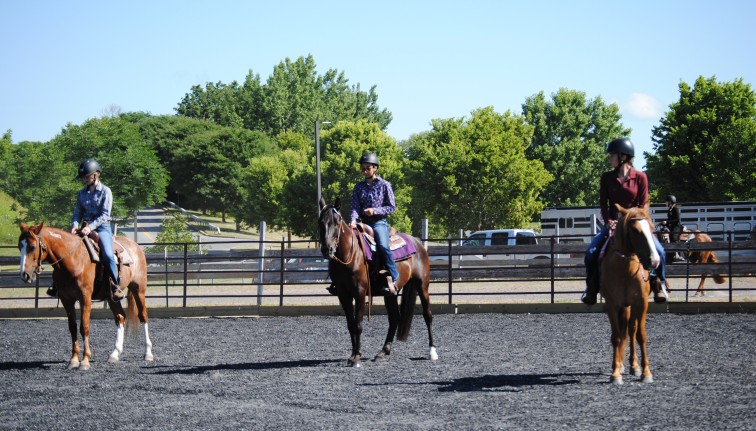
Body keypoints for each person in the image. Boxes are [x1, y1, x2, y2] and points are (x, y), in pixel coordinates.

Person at [581, 138, 669, 305]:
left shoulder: (641, 177)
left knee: (660, 252)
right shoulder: (606, 178)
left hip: (636, 223)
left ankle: (660, 284)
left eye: (612, 155)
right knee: (591, 252)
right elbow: (603, 204)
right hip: (614, 224)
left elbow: (642, 205)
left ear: (623, 156)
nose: (610, 158)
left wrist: (632, 219)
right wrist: (609, 221)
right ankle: (591, 288)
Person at [53, 159, 123, 300]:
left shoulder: (106, 191)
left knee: (108, 255)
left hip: (101, 228)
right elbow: (77, 212)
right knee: (62, 250)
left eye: (87, 176)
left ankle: (115, 286)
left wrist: (89, 227)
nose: (85, 179)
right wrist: (74, 225)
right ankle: (57, 285)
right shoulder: (81, 193)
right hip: (84, 227)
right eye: (84, 177)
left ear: (96, 175)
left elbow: (105, 215)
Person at [349, 151, 399, 296]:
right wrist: (353, 220)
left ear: (375, 168)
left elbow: (391, 206)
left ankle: (394, 276)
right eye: (362, 168)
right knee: (347, 244)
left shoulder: (384, 185)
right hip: (362, 222)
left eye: (368, 168)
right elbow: (354, 207)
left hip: (378, 222)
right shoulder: (358, 187)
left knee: (382, 246)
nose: (364, 171)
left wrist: (375, 211)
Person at [662, 194, 686, 262]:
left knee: (674, 238)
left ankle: (679, 255)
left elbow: (677, 219)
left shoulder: (675, 208)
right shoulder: (670, 209)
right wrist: (664, 223)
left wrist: (667, 222)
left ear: (670, 202)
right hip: (672, 226)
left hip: (677, 226)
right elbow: (670, 219)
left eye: (666, 202)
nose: (665, 203)